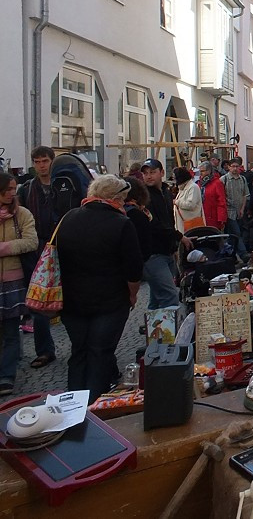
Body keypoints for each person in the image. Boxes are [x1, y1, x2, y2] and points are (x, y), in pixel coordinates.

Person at [54, 175, 143, 401]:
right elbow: (133, 269)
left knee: (79, 351)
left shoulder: (69, 218)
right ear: (114, 198)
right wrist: (132, 295)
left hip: (72, 301)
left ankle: (72, 405)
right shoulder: (121, 223)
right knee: (100, 353)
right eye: (122, 199)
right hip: (109, 301)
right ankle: (95, 406)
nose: (124, 203)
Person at [16, 145, 57, 368]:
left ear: (52, 161)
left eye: (45, 161)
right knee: (39, 303)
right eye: (37, 162)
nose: (41, 165)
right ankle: (45, 350)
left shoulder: (62, 185)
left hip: (61, 245)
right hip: (37, 248)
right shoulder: (27, 189)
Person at [0, 171, 38, 397]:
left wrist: (3, 248)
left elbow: (31, 241)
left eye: (13, 189)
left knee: (11, 331)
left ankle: (6, 376)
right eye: (6, 190)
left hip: (14, 281)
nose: (11, 194)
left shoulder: (21, 214)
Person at [140, 158, 186, 309]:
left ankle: (152, 329)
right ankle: (168, 331)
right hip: (153, 253)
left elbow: (169, 221)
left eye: (152, 172)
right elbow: (155, 225)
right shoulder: (144, 196)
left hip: (166, 250)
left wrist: (173, 246)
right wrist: (179, 236)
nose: (148, 176)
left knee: (157, 297)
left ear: (162, 173)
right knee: (170, 296)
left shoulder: (166, 192)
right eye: (145, 173)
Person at [222, 158, 249, 261]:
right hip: (229, 212)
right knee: (236, 232)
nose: (235, 168)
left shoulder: (242, 179)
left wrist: (242, 209)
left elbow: (244, 195)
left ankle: (230, 255)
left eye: (237, 166)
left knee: (232, 236)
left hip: (240, 211)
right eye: (233, 166)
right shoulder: (224, 179)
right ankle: (243, 254)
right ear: (229, 167)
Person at [172, 167, 204, 232]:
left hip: (191, 224)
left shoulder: (193, 187)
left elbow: (190, 204)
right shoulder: (182, 188)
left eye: (175, 178)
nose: (174, 180)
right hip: (182, 224)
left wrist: (176, 202)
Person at [199, 161, 227, 231]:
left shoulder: (217, 183)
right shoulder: (200, 183)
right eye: (200, 171)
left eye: (202, 171)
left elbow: (221, 201)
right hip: (201, 216)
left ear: (209, 171)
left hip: (213, 218)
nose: (200, 173)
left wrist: (221, 219)